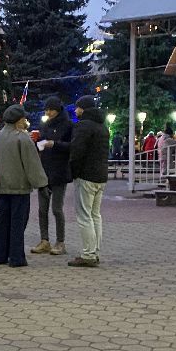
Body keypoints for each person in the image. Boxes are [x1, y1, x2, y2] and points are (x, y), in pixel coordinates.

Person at [0, 105, 48, 268]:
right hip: (20, 188)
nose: (25, 121)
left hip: (2, 187)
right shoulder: (22, 138)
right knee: (18, 222)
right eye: (23, 119)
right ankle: (16, 257)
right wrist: (41, 184)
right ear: (18, 120)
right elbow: (32, 165)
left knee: (1, 221)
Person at [68, 97, 109, 268]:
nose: (76, 111)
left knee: (84, 216)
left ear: (82, 109)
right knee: (95, 215)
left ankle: (88, 254)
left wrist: (74, 172)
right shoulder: (102, 127)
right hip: (101, 176)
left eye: (77, 108)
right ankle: (95, 251)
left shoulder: (83, 126)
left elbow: (76, 151)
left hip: (86, 176)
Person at [31, 97, 72, 257]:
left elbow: (71, 146)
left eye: (51, 110)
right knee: (42, 209)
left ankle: (60, 242)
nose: (48, 113)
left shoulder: (68, 126)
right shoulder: (44, 124)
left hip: (60, 172)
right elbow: (40, 142)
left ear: (58, 110)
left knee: (56, 209)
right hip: (45, 171)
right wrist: (37, 143)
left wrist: (55, 144)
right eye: (46, 110)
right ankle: (44, 241)